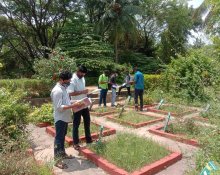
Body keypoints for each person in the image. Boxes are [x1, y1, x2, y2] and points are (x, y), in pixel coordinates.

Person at [51, 71, 76, 169]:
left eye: (70, 80)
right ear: (61, 80)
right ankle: (57, 160)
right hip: (60, 118)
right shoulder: (57, 90)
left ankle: (62, 154)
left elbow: (66, 102)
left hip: (65, 117)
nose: (69, 82)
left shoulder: (64, 88)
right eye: (67, 80)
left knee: (62, 137)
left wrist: (75, 102)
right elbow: (59, 107)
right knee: (58, 138)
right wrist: (73, 105)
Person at [67, 65, 92, 150]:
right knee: (76, 124)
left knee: (87, 121)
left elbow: (82, 90)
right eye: (82, 73)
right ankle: (75, 143)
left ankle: (89, 140)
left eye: (84, 74)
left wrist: (86, 93)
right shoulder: (72, 80)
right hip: (77, 104)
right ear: (78, 71)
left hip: (84, 103)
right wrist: (82, 92)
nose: (83, 75)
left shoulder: (82, 78)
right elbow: (70, 93)